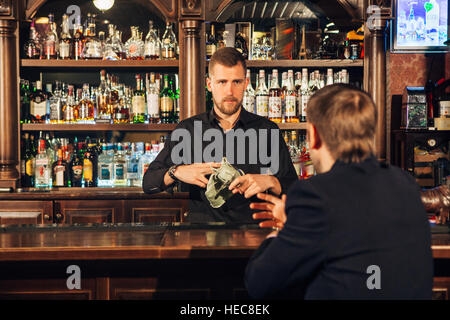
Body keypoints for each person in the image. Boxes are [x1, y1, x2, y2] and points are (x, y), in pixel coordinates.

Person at [245, 84, 433, 299]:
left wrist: (280, 231)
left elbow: (260, 283)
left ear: (313, 135)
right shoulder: (405, 184)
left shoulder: (314, 195)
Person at [142, 47, 297, 223]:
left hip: (253, 235)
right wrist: (177, 171)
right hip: (201, 236)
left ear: (246, 83)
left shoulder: (267, 130)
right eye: (222, 82)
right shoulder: (188, 130)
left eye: (236, 82)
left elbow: (294, 189)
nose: (230, 91)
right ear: (210, 85)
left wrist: (272, 182)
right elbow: (148, 183)